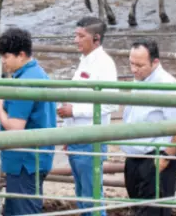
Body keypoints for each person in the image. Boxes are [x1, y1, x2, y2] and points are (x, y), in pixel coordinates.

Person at [121, 40, 176, 216]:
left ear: (155, 62)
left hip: (155, 158)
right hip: (135, 158)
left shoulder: (168, 85)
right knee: (140, 210)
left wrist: (166, 156)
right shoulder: (140, 79)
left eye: (139, 65)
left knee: (153, 212)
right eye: (131, 63)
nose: (134, 69)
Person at [0, 27, 56, 216]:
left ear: (21, 55)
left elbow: (15, 127)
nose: (3, 61)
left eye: (6, 56)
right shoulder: (37, 73)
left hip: (24, 161)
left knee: (23, 210)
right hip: (35, 157)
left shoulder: (24, 82)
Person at [57, 17, 117, 216]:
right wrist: (67, 132)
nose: (76, 40)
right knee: (83, 194)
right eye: (76, 35)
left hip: (90, 139)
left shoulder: (104, 64)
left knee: (91, 196)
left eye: (81, 36)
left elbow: (110, 103)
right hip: (78, 138)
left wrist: (74, 111)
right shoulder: (85, 61)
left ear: (96, 38)